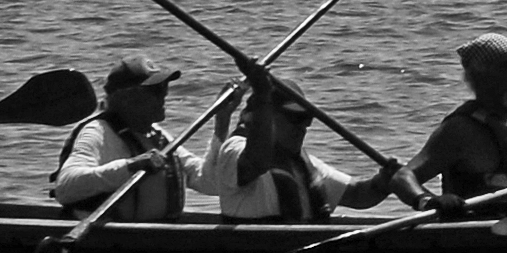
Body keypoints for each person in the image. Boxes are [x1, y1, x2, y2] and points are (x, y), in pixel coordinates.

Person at [207, 73, 399, 224]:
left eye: (308, 119)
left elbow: (359, 196)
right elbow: (256, 162)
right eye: (295, 118)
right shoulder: (233, 151)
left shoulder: (302, 164)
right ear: (267, 117)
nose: (303, 127)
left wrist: (388, 180)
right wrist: (263, 95)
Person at [410, 34, 507, 209]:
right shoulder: (460, 129)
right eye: (506, 67)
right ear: (481, 77)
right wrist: (427, 201)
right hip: (479, 232)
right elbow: (403, 177)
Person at [49, 57, 188, 219]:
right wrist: (130, 166)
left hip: (154, 238)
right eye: (156, 90)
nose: (165, 94)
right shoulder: (98, 132)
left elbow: (208, 181)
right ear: (126, 98)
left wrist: (221, 131)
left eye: (165, 87)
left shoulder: (157, 135)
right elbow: (66, 187)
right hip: (106, 242)